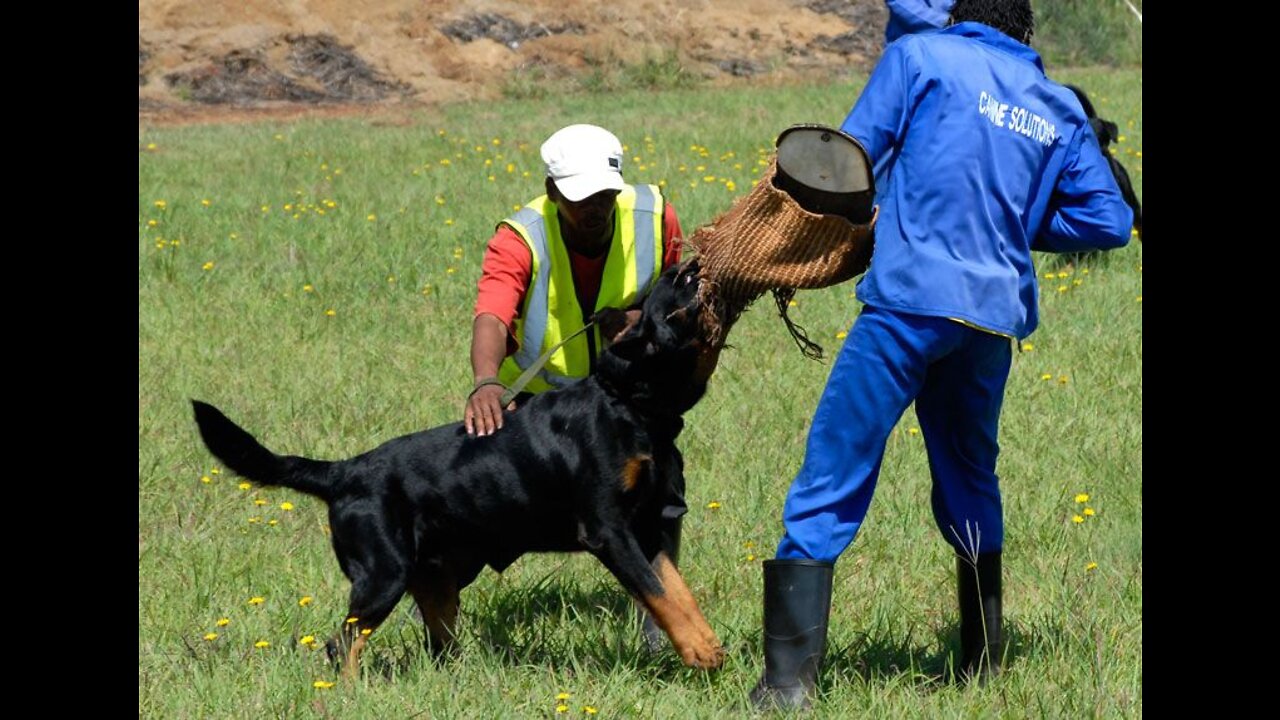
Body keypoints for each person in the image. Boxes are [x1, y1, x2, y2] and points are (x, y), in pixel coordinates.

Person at [750, 0, 1134, 709]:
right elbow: (1110, 220)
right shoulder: (1053, 100)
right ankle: (983, 666)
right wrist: (1008, 218)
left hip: (907, 303)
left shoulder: (919, 57)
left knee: (836, 468)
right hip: (989, 323)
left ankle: (786, 685)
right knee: (968, 475)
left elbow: (847, 162)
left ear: (960, 14)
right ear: (1024, 29)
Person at [464, 123, 687, 649]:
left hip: (630, 399)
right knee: (482, 506)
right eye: (580, 198)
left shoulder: (654, 217)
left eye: (605, 195)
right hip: (545, 403)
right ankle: (433, 590)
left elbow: (678, 299)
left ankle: (658, 621)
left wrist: (642, 319)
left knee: (663, 493)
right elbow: (493, 316)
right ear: (552, 192)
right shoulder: (521, 237)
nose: (595, 208)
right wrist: (486, 382)